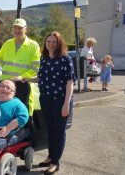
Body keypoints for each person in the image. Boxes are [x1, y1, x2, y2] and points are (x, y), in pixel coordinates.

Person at [0, 18, 40, 118]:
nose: (17, 30)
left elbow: (36, 68)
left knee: (21, 115)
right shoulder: (8, 43)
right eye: (15, 28)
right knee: (4, 114)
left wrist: (21, 77)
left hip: (23, 86)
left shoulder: (33, 46)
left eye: (20, 28)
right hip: (6, 87)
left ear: (26, 29)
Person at [37, 32, 74, 175]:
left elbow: (70, 83)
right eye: (49, 41)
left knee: (59, 132)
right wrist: (26, 79)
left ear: (59, 43)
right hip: (45, 99)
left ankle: (55, 163)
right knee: (50, 130)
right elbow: (41, 78)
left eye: (54, 42)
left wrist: (66, 105)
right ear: (45, 43)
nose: (51, 44)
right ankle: (50, 156)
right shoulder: (44, 58)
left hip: (60, 101)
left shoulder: (65, 59)